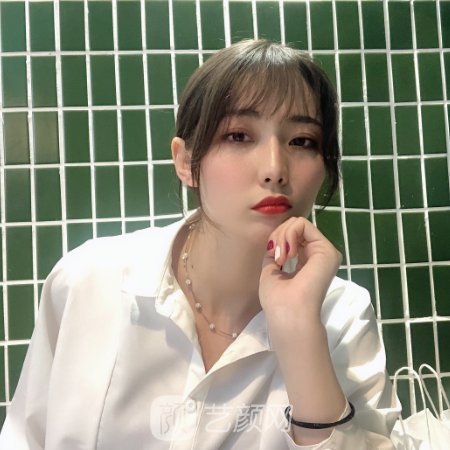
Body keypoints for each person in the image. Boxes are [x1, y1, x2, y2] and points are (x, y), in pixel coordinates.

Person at [0, 39, 400, 449]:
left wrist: (299, 333)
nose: (274, 169)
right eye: (239, 135)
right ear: (186, 162)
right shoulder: (89, 282)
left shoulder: (342, 318)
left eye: (301, 141)